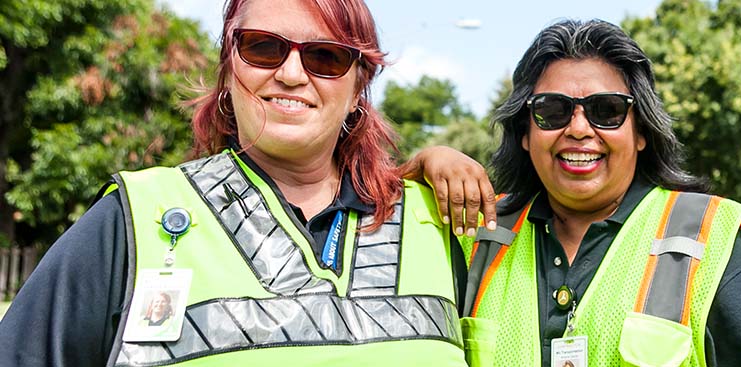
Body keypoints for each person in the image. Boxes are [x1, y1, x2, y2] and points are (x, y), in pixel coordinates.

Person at [0, 0, 496, 366]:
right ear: (228, 69)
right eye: (263, 48)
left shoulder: (438, 219)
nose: (292, 73)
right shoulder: (135, 218)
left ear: (357, 89)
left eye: (326, 57)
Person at [460, 20, 741, 367]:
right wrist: (423, 170)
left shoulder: (714, 243)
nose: (579, 129)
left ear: (641, 131)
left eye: (606, 110)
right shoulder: (475, 235)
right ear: (525, 132)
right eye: (552, 111)